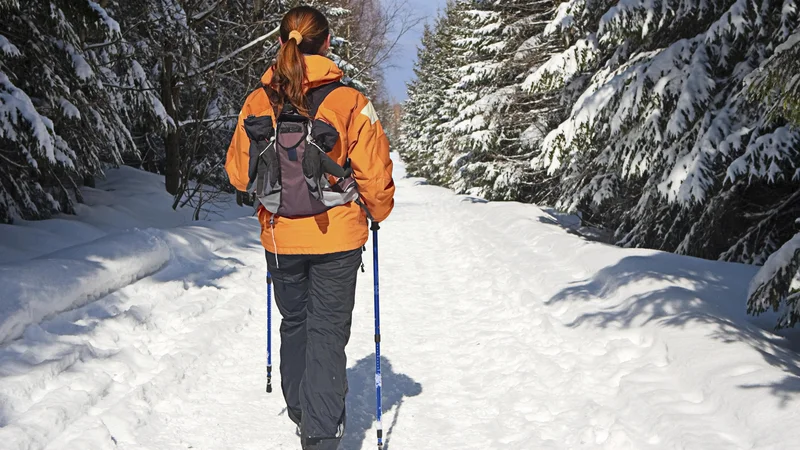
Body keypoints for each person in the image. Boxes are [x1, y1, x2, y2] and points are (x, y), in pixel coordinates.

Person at [224, 5, 395, 450]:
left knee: (295, 321)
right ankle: (320, 433)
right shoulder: (351, 102)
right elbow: (375, 178)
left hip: (280, 236)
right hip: (336, 236)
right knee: (326, 329)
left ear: (281, 43)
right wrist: (377, 210)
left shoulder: (258, 101)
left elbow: (238, 174)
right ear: (328, 45)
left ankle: (302, 409)